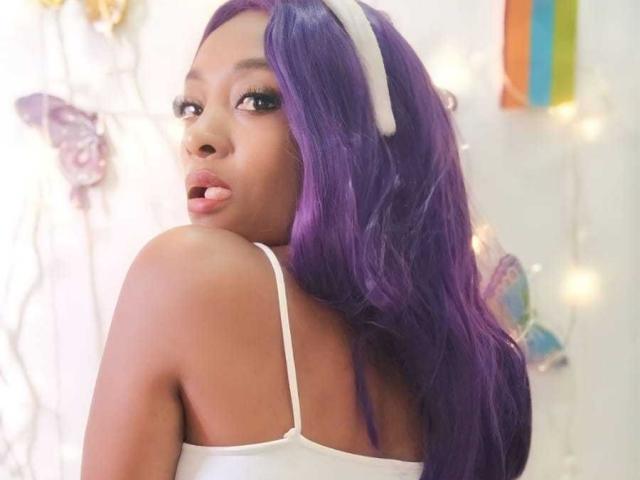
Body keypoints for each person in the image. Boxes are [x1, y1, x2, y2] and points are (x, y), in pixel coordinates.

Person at [81, 1, 532, 479]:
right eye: (190, 107)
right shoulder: (470, 371)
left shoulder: (184, 271)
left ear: (349, 130)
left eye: (256, 100)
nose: (199, 137)